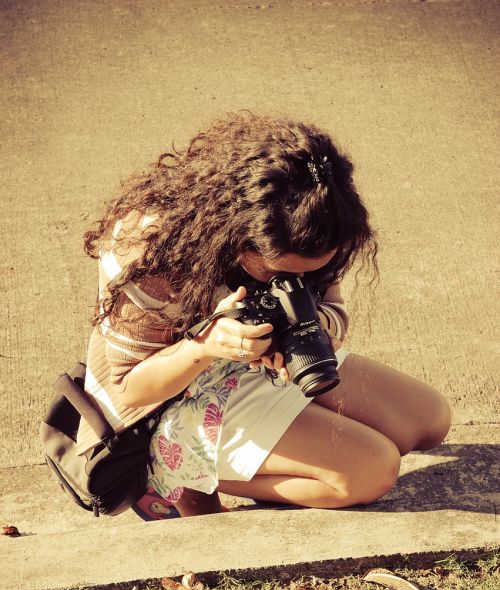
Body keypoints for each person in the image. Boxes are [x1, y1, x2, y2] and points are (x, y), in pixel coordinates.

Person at [77, 112, 451, 519]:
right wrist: (205, 346)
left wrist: (310, 329)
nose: (301, 281)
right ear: (236, 231)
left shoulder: (314, 222)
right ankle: (172, 475)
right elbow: (129, 389)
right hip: (170, 397)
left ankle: (267, 444)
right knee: (372, 470)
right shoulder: (150, 250)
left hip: (260, 368)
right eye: (279, 272)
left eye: (312, 271)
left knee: (429, 420)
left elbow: (335, 312)